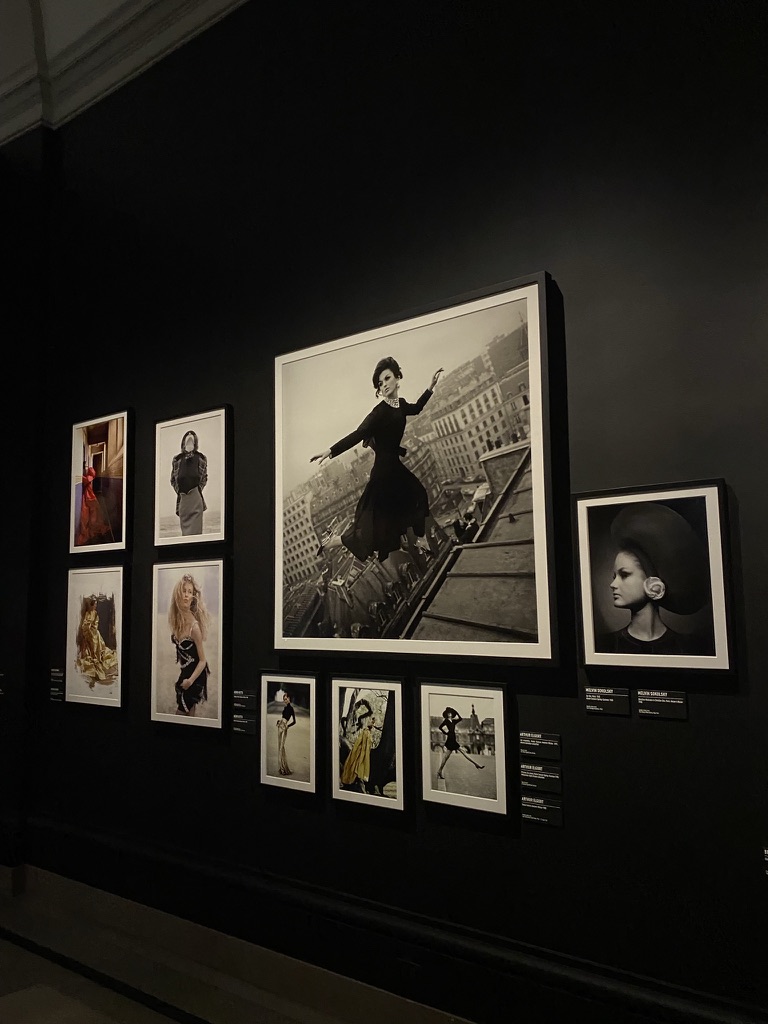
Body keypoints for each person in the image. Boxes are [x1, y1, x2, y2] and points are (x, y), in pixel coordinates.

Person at [310, 358, 443, 564]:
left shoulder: (400, 404)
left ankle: (418, 541)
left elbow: (417, 408)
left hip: (394, 467)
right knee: (378, 523)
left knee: (414, 499)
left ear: (397, 378)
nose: (384, 385)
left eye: (387, 379)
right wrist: (331, 451)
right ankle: (337, 541)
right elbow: (358, 434)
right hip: (383, 472)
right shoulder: (378, 413)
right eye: (380, 383)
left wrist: (430, 387)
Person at [597, 501, 713, 655]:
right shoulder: (604, 645)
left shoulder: (688, 647)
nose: (613, 584)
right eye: (614, 576)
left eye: (624, 575)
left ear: (653, 583)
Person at [168, 572, 210, 716]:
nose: (186, 595)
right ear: (178, 594)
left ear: (193, 597)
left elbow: (203, 661)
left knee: (180, 713)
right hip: (185, 673)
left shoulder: (194, 627)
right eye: (184, 591)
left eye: (190, 592)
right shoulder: (177, 622)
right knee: (189, 713)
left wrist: (190, 681)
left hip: (196, 676)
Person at [170, 430, 208, 536]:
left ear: (195, 443)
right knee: (185, 536)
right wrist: (180, 492)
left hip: (196, 500)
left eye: (192, 440)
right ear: (183, 443)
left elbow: (204, 478)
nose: (190, 442)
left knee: (196, 535)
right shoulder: (177, 459)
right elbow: (173, 480)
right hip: (183, 501)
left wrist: (196, 491)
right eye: (187, 440)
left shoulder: (201, 458)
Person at [75, 596, 118, 687]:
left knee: (99, 641)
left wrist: (94, 628)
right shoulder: (88, 613)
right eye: (94, 604)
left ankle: (99, 657)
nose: (95, 606)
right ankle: (94, 658)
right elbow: (85, 626)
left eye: (96, 605)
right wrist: (89, 631)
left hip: (94, 632)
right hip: (88, 632)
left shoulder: (95, 613)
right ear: (91, 605)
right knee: (93, 643)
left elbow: (95, 623)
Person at [340, 698, 380, 793]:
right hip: (354, 746)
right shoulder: (358, 724)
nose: (373, 723)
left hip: (358, 747)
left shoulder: (365, 729)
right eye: (372, 721)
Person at [436, 707, 484, 778]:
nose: (450, 714)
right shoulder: (446, 721)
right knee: (449, 756)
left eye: (451, 713)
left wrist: (456, 712)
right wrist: (446, 733)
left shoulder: (453, 721)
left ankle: (439, 771)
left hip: (453, 738)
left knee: (449, 756)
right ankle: (476, 764)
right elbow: (440, 727)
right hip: (450, 739)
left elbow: (460, 718)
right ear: (447, 714)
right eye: (448, 713)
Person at [76, 466, 112, 545]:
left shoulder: (89, 477)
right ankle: (91, 525)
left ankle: (91, 525)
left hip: (89, 497)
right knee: (91, 513)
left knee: (91, 513)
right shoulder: (90, 477)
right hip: (89, 496)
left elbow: (86, 480)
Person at [277, 691, 296, 775]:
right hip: (280, 726)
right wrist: (279, 721)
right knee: (280, 747)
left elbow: (294, 721)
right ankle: (282, 767)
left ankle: (284, 769)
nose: (285, 700)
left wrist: (288, 726)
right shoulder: (285, 708)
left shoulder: (291, 709)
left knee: (281, 747)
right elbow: (283, 717)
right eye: (284, 699)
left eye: (286, 699)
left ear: (289, 699)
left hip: (284, 727)